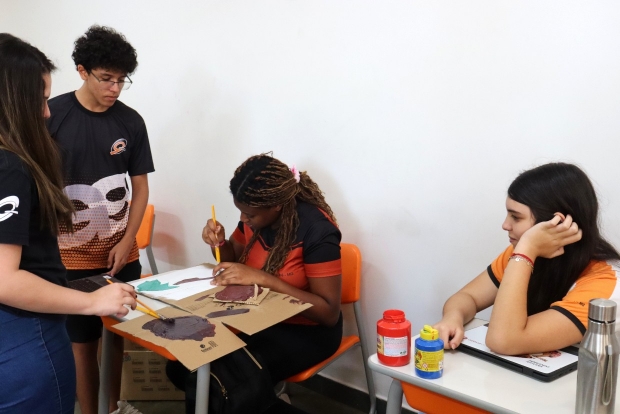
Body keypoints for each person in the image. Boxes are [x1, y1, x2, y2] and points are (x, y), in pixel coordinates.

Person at [0, 34, 137, 414]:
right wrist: (90, 301)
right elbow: (4, 279)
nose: (45, 113)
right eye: (40, 99)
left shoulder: (130, 121)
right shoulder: (10, 167)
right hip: (28, 331)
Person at [167, 153, 343, 414]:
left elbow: (328, 313)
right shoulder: (256, 216)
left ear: (277, 205)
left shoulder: (317, 230)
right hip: (260, 319)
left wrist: (263, 279)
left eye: (249, 214)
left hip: (307, 332)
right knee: (183, 366)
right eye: (240, 211)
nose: (243, 218)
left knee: (217, 381)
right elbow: (234, 262)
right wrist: (219, 243)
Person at [47, 26, 155, 414]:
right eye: (106, 78)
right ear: (82, 71)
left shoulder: (130, 122)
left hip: (120, 254)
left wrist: (128, 241)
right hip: (69, 258)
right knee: (82, 343)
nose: (115, 88)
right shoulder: (52, 115)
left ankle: (114, 407)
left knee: (116, 336)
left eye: (122, 80)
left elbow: (140, 188)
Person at [434, 162, 620, 355]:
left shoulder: (604, 285)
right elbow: (467, 297)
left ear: (557, 222)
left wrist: (526, 250)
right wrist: (453, 318)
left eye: (516, 217)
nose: (505, 225)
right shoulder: (525, 253)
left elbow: (503, 341)